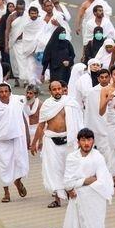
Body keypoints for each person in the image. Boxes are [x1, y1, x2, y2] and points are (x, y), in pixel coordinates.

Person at [62, 128, 113, 228]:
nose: (86, 143)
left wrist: (76, 186)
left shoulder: (98, 158)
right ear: (78, 142)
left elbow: (103, 183)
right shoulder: (72, 158)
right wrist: (85, 181)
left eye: (89, 140)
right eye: (83, 140)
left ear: (93, 141)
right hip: (76, 205)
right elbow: (67, 183)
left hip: (94, 205)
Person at [31, 81, 84, 209]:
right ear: (50, 91)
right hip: (51, 140)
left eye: (59, 89)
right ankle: (57, 199)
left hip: (68, 140)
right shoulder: (47, 105)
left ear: (63, 89)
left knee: (71, 168)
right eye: (54, 89)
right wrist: (34, 143)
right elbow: (41, 125)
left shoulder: (70, 103)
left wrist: (80, 141)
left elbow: (78, 122)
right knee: (53, 169)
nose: (57, 91)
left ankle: (72, 194)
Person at [0, 83, 29, 203]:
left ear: (10, 92)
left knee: (19, 161)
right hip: (2, 141)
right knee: (3, 166)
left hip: (17, 138)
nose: (4, 94)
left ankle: (18, 181)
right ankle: (6, 193)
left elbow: (29, 101)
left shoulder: (17, 101)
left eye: (6, 91)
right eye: (1, 92)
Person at [98, 64, 115, 194]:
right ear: (111, 76)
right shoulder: (105, 90)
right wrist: (107, 99)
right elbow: (101, 111)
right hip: (112, 123)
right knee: (114, 150)